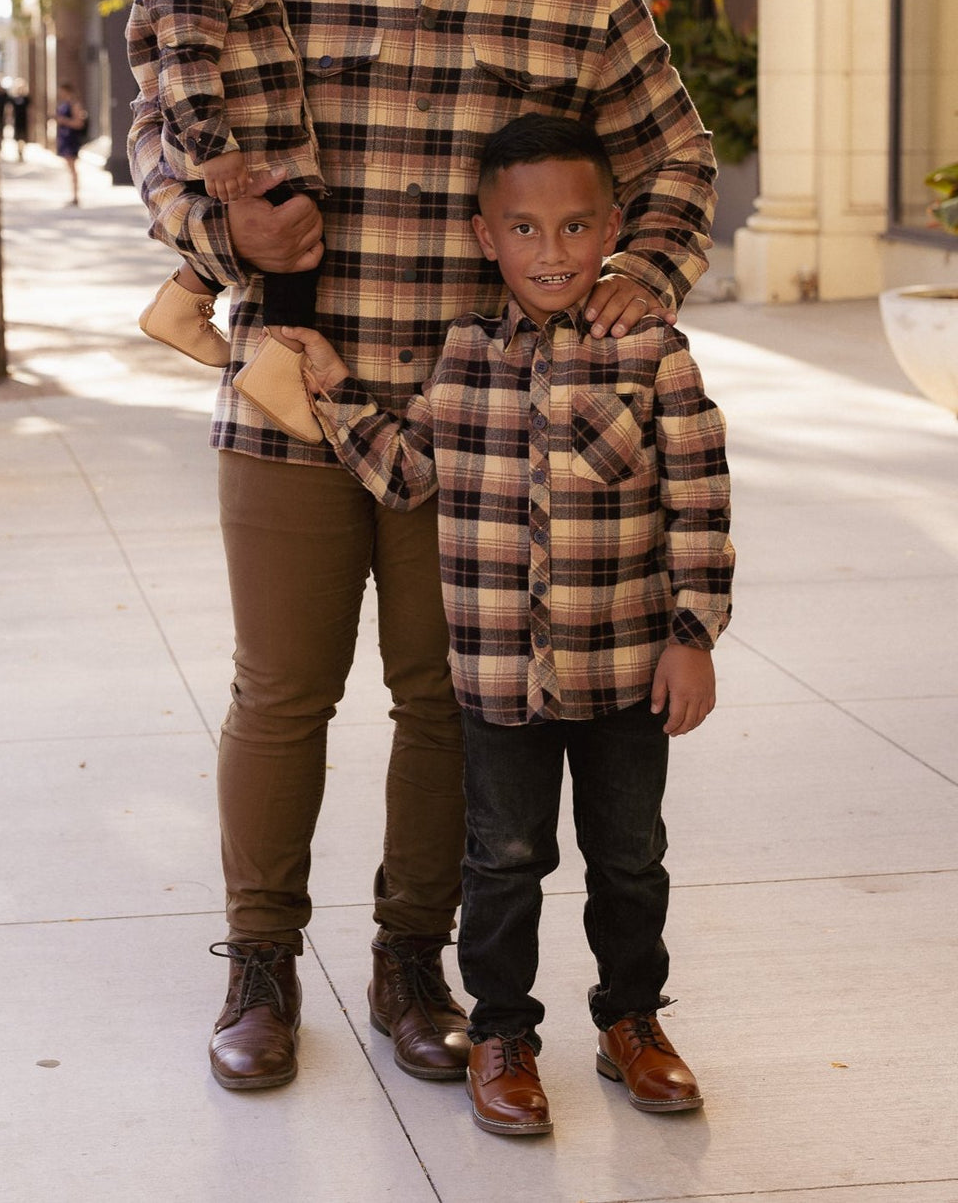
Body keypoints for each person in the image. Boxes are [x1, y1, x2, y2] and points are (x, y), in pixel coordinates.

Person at [126, 0, 718, 1096]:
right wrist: (225, 235)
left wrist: (635, 277)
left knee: (448, 705)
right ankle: (260, 966)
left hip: (482, 440)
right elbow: (160, 127)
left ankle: (411, 960)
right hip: (294, 403)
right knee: (280, 693)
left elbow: (678, 162)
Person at [288, 114, 733, 1136]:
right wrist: (329, 388)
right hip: (498, 682)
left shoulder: (654, 355)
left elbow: (700, 502)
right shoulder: (465, 358)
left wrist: (694, 635)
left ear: (614, 226)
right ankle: (502, 1032)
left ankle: (633, 1022)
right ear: (486, 235)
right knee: (504, 862)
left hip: (626, 672)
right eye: (524, 230)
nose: (553, 252)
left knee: (630, 859)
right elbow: (409, 472)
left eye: (577, 228)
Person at [128, 0, 325, 440]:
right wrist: (215, 152)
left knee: (294, 230)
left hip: (252, 146)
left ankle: (186, 302)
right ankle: (280, 361)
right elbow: (185, 66)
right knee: (300, 232)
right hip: (225, 148)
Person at [54, 81, 88, 205]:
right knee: (69, 168)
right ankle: (73, 194)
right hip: (64, 138)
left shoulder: (74, 104)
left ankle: (75, 196)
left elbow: (79, 123)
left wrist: (64, 121)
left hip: (71, 139)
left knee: (73, 169)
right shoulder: (64, 104)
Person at [9, 79, 31, 161]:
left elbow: (30, 110)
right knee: (18, 138)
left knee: (23, 138)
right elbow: (10, 109)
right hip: (16, 121)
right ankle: (19, 152)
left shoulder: (26, 99)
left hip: (24, 120)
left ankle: (22, 153)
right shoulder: (13, 99)